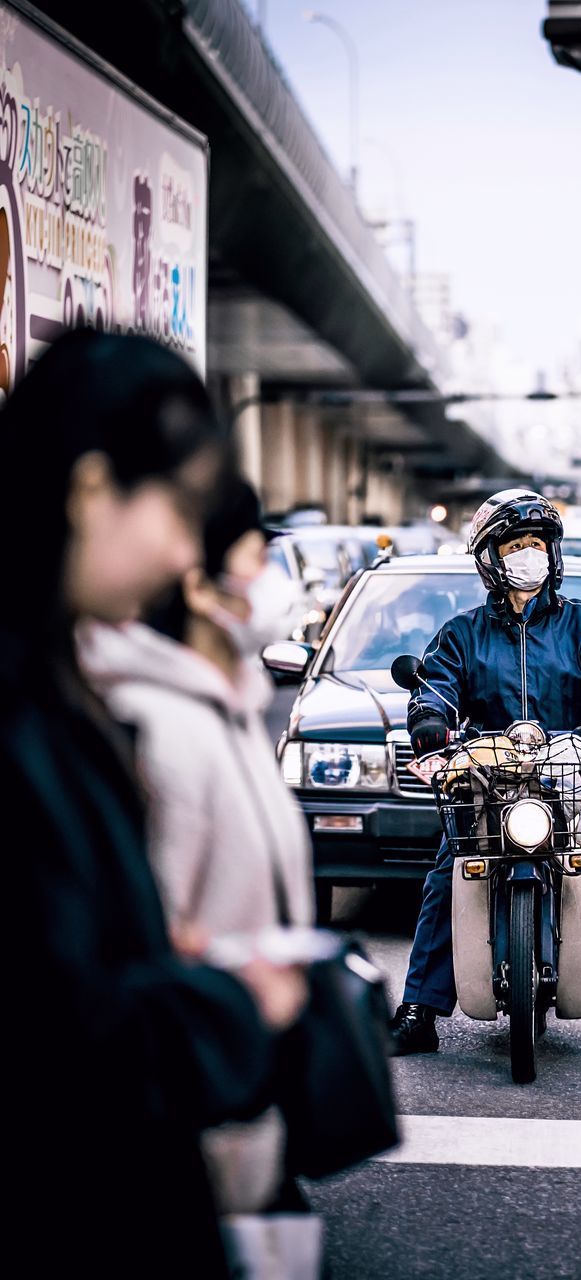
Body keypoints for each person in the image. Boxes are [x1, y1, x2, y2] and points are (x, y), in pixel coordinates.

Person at [3, 330, 307, 1280]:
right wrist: (227, 1003)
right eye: (178, 510)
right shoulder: (29, 707)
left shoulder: (58, 681)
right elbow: (54, 1037)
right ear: (92, 490)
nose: (188, 550)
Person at [388, 489, 581, 1067]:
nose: (526, 555)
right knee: (445, 873)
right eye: (513, 545)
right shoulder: (463, 633)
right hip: (489, 777)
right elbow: (435, 687)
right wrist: (428, 717)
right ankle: (418, 1013)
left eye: (535, 544)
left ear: (552, 554)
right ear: (489, 559)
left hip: (567, 780)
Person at [78, 477, 312, 1219]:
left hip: (243, 1090)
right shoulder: (156, 726)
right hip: (193, 1110)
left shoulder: (233, 708)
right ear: (196, 582)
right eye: (254, 555)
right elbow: (143, 941)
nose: (270, 580)